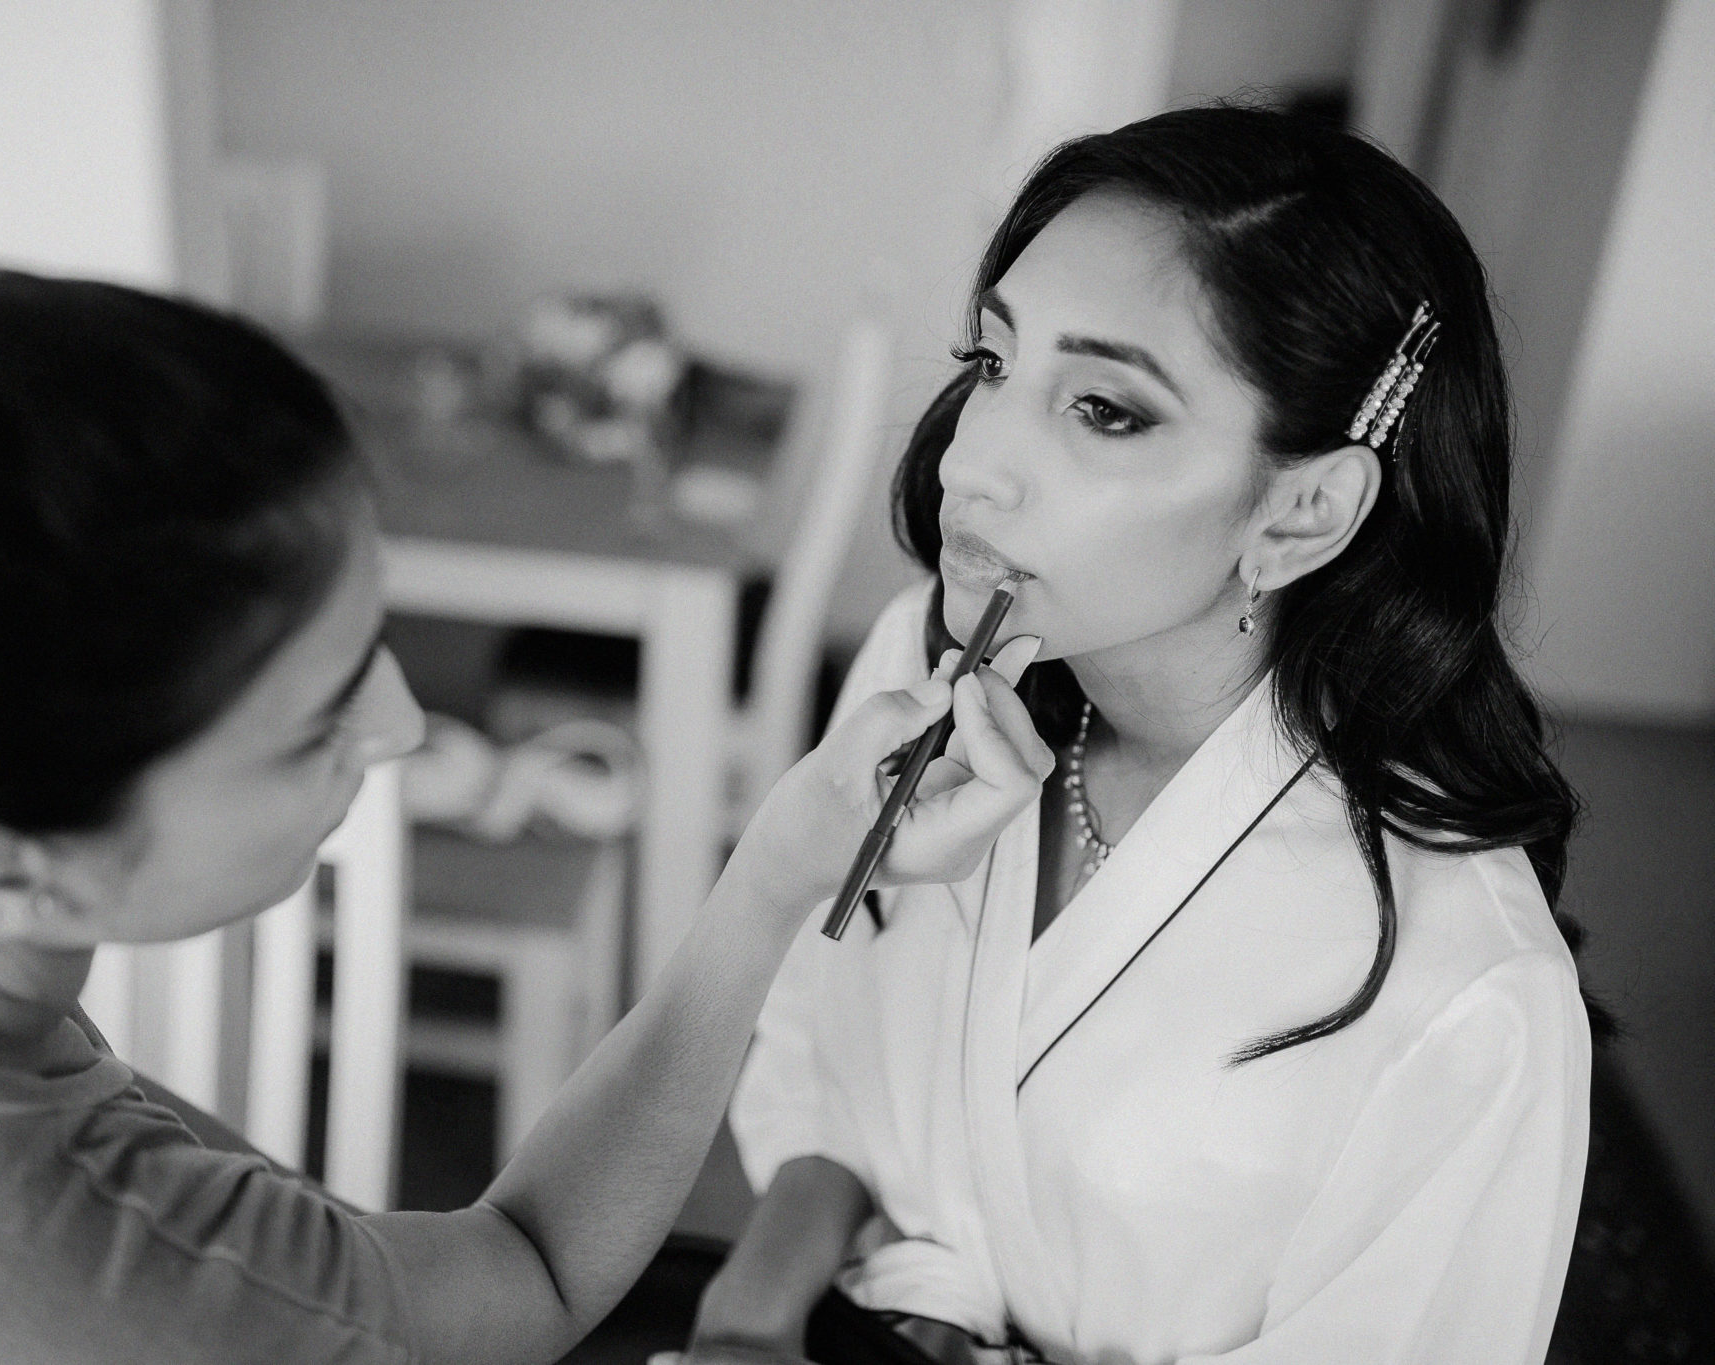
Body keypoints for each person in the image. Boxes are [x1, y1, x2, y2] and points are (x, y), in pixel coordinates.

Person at [0, 269, 1052, 1364]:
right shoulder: (154, 1297)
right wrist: (772, 872)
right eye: (317, 719)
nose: (397, 723)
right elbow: (536, 1268)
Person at [674, 105, 1597, 1365]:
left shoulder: (1472, 1001)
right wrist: (749, 1308)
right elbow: (813, 1046)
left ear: (1299, 512)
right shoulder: (921, 671)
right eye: (993, 363)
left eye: (1104, 410)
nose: (973, 463)